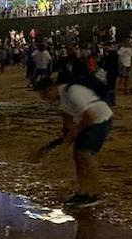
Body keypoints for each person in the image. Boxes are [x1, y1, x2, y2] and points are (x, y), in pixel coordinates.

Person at [36, 74, 115, 210]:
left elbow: (89, 116)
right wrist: (65, 138)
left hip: (100, 120)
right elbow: (67, 124)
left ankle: (94, 193)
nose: (45, 99)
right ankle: (83, 191)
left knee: (85, 156)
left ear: (53, 88)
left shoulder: (72, 92)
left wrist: (71, 137)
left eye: (45, 94)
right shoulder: (61, 99)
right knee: (78, 157)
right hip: (89, 122)